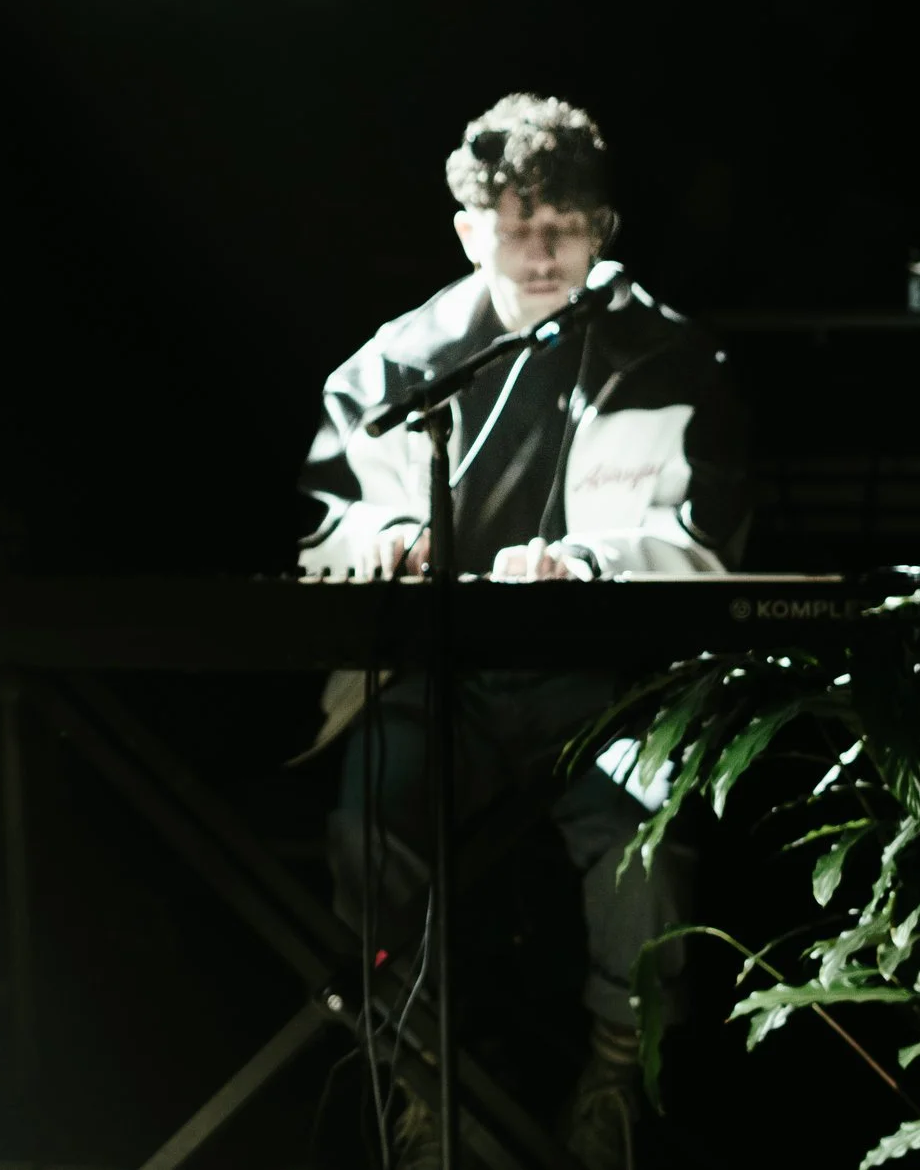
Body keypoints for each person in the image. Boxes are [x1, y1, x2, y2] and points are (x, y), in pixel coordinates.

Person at [295, 94, 749, 1169]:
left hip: (605, 681)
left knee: (645, 833)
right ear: (469, 228)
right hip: (434, 678)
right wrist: (392, 536)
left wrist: (588, 562)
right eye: (518, 223)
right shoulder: (391, 366)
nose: (544, 248)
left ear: (602, 228)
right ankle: (416, 1082)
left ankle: (616, 1074)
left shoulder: (673, 357)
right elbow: (326, 530)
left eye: (567, 225)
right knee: (371, 812)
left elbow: (704, 536)